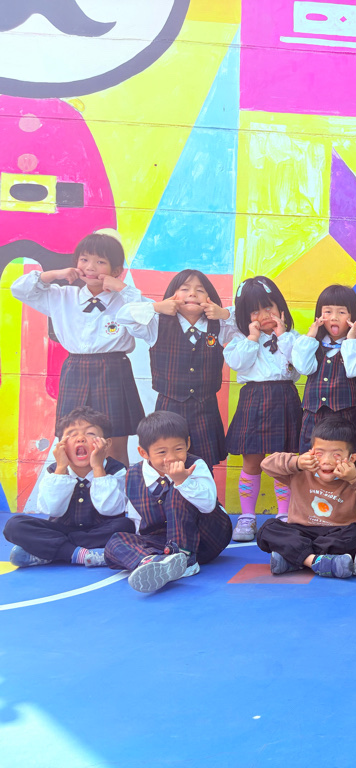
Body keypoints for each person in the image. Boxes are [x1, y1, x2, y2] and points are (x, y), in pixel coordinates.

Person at [11, 229, 144, 465]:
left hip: (113, 370)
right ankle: (75, 488)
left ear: (115, 270)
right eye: (84, 259)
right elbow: (19, 289)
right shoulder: (62, 296)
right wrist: (54, 274)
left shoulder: (125, 299)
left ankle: (118, 489)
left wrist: (122, 288)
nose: (90, 267)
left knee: (114, 446)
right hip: (76, 370)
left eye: (100, 262)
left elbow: (148, 314)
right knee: (72, 441)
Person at [118, 269, 237, 469]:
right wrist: (156, 307)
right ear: (172, 295)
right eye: (184, 289)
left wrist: (224, 314)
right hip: (168, 407)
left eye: (200, 290)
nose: (192, 294)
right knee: (166, 463)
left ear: (210, 299)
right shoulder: (156, 323)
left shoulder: (220, 326)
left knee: (203, 465)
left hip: (205, 408)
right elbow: (123, 317)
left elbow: (245, 326)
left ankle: (204, 490)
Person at [104, 411, 232, 593]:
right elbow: (137, 519)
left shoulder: (196, 465)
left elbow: (209, 505)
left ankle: (185, 559)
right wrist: (142, 545)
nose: (171, 457)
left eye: (178, 449)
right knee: (115, 541)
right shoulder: (133, 475)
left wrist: (182, 481)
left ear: (188, 444)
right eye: (162, 452)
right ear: (143, 452)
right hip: (164, 542)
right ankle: (151, 561)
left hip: (207, 537)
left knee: (177, 493)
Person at [223, 276, 305, 541]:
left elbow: (299, 369)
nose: (263, 315)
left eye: (269, 307)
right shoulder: (239, 340)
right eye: (254, 311)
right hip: (254, 399)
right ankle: (247, 517)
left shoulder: (293, 338)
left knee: (283, 461)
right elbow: (239, 364)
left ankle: (284, 515)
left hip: (285, 397)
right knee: (251, 461)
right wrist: (252, 337)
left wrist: (284, 338)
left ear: (281, 308)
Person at [255, 415, 356, 578]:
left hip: (337, 533)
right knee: (268, 528)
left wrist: (354, 479)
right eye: (319, 453)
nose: (326, 461)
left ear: (351, 458)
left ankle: (293, 559)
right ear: (310, 452)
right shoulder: (300, 471)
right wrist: (297, 462)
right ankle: (316, 561)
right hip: (300, 531)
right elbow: (266, 465)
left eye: (336, 455)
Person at [4, 407, 132, 568]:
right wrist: (61, 468)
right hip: (62, 530)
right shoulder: (54, 471)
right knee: (14, 525)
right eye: (71, 434)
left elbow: (110, 509)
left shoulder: (116, 470)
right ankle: (79, 554)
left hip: (100, 531)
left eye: (90, 433)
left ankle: (50, 552)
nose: (80, 439)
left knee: (126, 526)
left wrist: (98, 468)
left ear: (106, 444)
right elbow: (53, 510)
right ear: (60, 445)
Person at [292, 284, 356, 453]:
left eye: (342, 312)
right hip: (313, 416)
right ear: (319, 315)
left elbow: (353, 371)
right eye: (328, 311)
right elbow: (303, 368)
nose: (334, 318)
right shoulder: (312, 344)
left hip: (345, 418)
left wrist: (351, 341)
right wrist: (310, 337)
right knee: (311, 458)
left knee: (342, 459)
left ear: (353, 316)